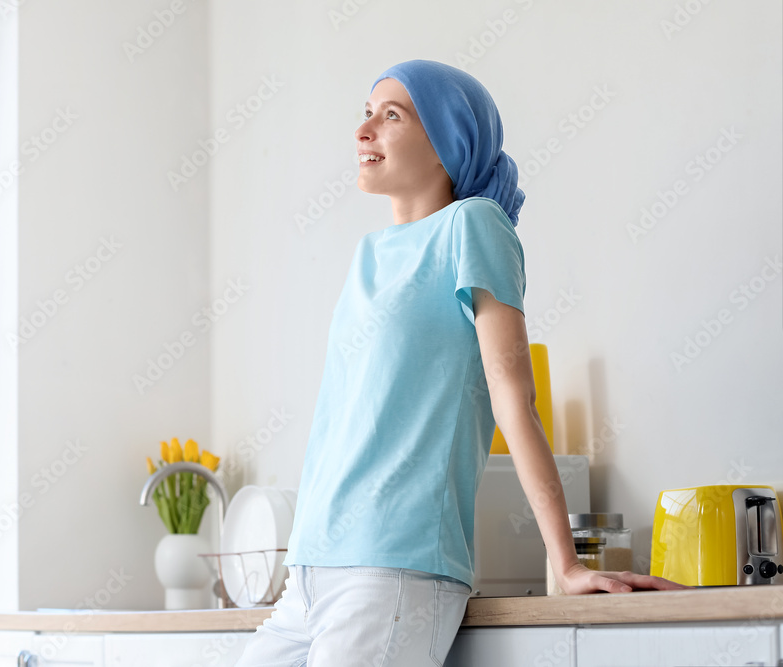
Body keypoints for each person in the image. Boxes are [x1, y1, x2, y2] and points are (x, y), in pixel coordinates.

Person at [233, 59, 690, 667]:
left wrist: (566, 560)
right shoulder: (368, 255)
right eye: (365, 113)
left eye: (390, 115)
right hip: (311, 569)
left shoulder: (474, 226)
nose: (363, 130)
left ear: (450, 141)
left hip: (392, 567)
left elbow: (512, 399)